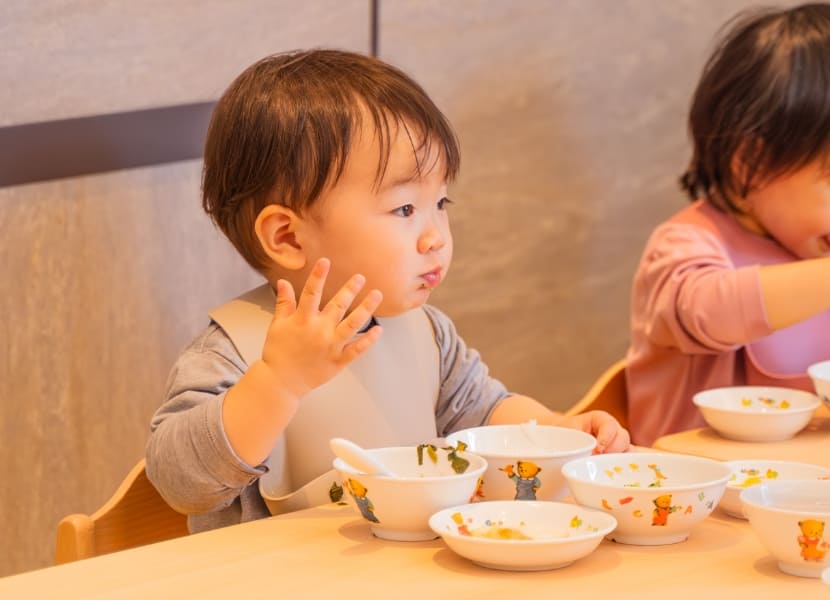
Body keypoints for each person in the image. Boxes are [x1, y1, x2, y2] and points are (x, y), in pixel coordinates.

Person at [146, 49, 630, 533]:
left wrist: (555, 429)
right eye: (404, 210)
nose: (435, 236)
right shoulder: (231, 353)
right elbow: (179, 481)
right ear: (288, 237)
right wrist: (279, 381)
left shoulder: (426, 334)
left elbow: (483, 414)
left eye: (440, 202)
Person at [626, 3, 830, 446]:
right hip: (688, 485)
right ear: (751, 164)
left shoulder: (813, 244)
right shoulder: (684, 245)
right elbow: (707, 311)